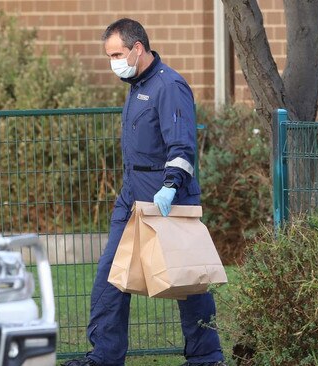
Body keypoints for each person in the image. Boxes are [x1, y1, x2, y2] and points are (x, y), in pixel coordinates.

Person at [62, 18, 225, 366]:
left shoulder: (170, 86)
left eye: (117, 54)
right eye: (109, 56)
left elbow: (182, 148)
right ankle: (104, 357)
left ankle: (207, 358)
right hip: (132, 198)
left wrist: (170, 188)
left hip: (169, 199)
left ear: (138, 48)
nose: (113, 63)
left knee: (188, 284)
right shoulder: (136, 85)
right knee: (111, 277)